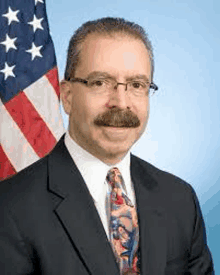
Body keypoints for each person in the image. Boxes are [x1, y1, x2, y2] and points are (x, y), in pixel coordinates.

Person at [0, 17, 214, 274]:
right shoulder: (10, 208)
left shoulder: (180, 200)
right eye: (100, 82)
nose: (121, 102)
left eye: (136, 85)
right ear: (67, 97)